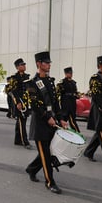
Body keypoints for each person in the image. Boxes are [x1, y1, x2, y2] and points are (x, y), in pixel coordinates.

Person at [25, 51, 68, 194]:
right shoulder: (32, 84)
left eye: (49, 62)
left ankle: (31, 169)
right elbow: (35, 105)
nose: (49, 64)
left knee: (48, 152)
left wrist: (61, 118)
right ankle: (50, 182)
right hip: (41, 125)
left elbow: (56, 103)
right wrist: (47, 117)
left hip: (52, 121)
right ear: (39, 64)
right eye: (46, 62)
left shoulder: (50, 82)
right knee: (46, 153)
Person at [7, 58, 31, 149]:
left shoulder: (27, 76)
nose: (24, 66)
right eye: (22, 65)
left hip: (25, 101)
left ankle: (17, 140)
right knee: (22, 120)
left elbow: (29, 89)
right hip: (19, 101)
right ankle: (25, 141)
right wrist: (17, 102)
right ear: (17, 67)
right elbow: (12, 91)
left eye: (24, 64)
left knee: (20, 121)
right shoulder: (14, 78)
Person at [56, 67, 81, 132]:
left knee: (68, 120)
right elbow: (57, 94)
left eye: (71, 73)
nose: (70, 74)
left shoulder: (73, 83)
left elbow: (75, 92)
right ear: (65, 74)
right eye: (69, 73)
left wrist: (78, 95)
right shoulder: (62, 83)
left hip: (72, 103)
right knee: (67, 120)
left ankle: (58, 131)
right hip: (65, 103)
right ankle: (77, 133)